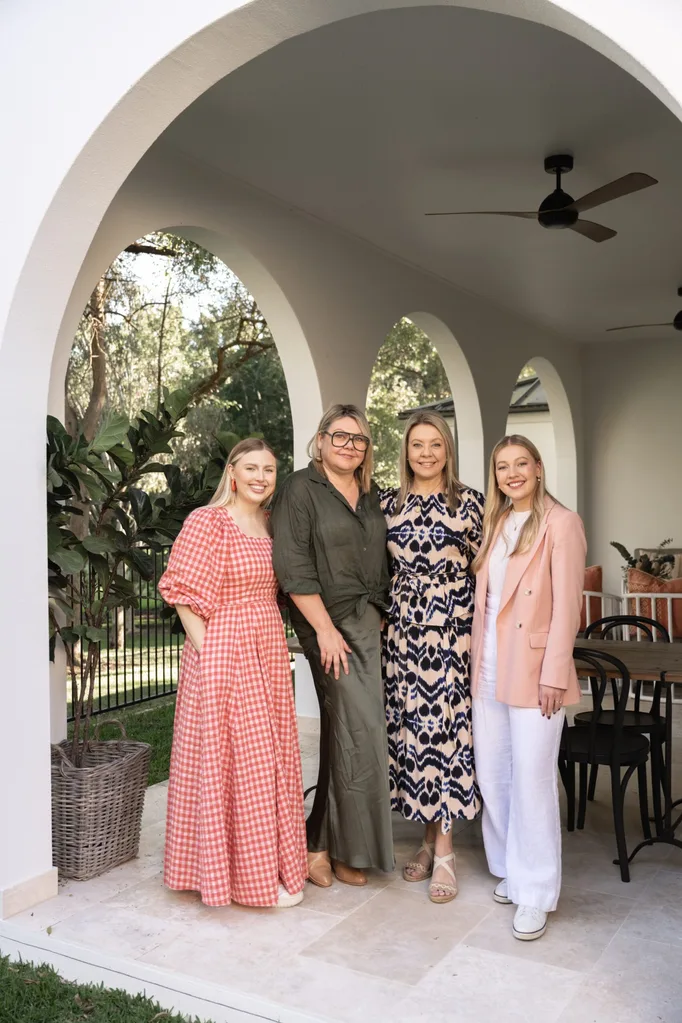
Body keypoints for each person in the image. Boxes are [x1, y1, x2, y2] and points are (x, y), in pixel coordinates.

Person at [158, 438, 307, 909]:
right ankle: (238, 878)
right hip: (222, 648)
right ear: (232, 473)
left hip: (266, 651)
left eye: (269, 469)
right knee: (237, 760)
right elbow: (181, 594)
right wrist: (214, 655)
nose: (261, 477)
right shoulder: (208, 522)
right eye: (251, 468)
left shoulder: (270, 524)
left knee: (269, 759)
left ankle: (266, 868)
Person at [271, 403, 394, 888]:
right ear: (320, 441)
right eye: (339, 436)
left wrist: (380, 612)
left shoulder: (370, 494)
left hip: (366, 620)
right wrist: (322, 629)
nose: (349, 445)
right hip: (325, 621)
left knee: (346, 734)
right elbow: (293, 564)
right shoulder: (300, 489)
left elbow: (381, 557)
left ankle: (320, 844)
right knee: (358, 733)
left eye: (358, 439)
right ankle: (339, 848)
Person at [471, 434, 586, 941]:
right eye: (502, 467)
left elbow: (567, 606)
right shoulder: (497, 521)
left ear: (539, 469)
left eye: (521, 464)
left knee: (534, 780)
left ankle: (536, 890)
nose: (512, 473)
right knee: (494, 772)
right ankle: (510, 869)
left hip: (536, 667)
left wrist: (554, 674)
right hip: (489, 666)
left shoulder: (562, 523)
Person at [380, 411, 483, 904]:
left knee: (446, 734)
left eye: (434, 444)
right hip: (402, 635)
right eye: (417, 444)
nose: (425, 453)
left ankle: (445, 849)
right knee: (413, 737)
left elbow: (488, 574)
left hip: (452, 634)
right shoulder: (387, 503)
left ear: (448, 450)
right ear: (406, 451)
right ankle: (426, 836)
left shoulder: (473, 505)